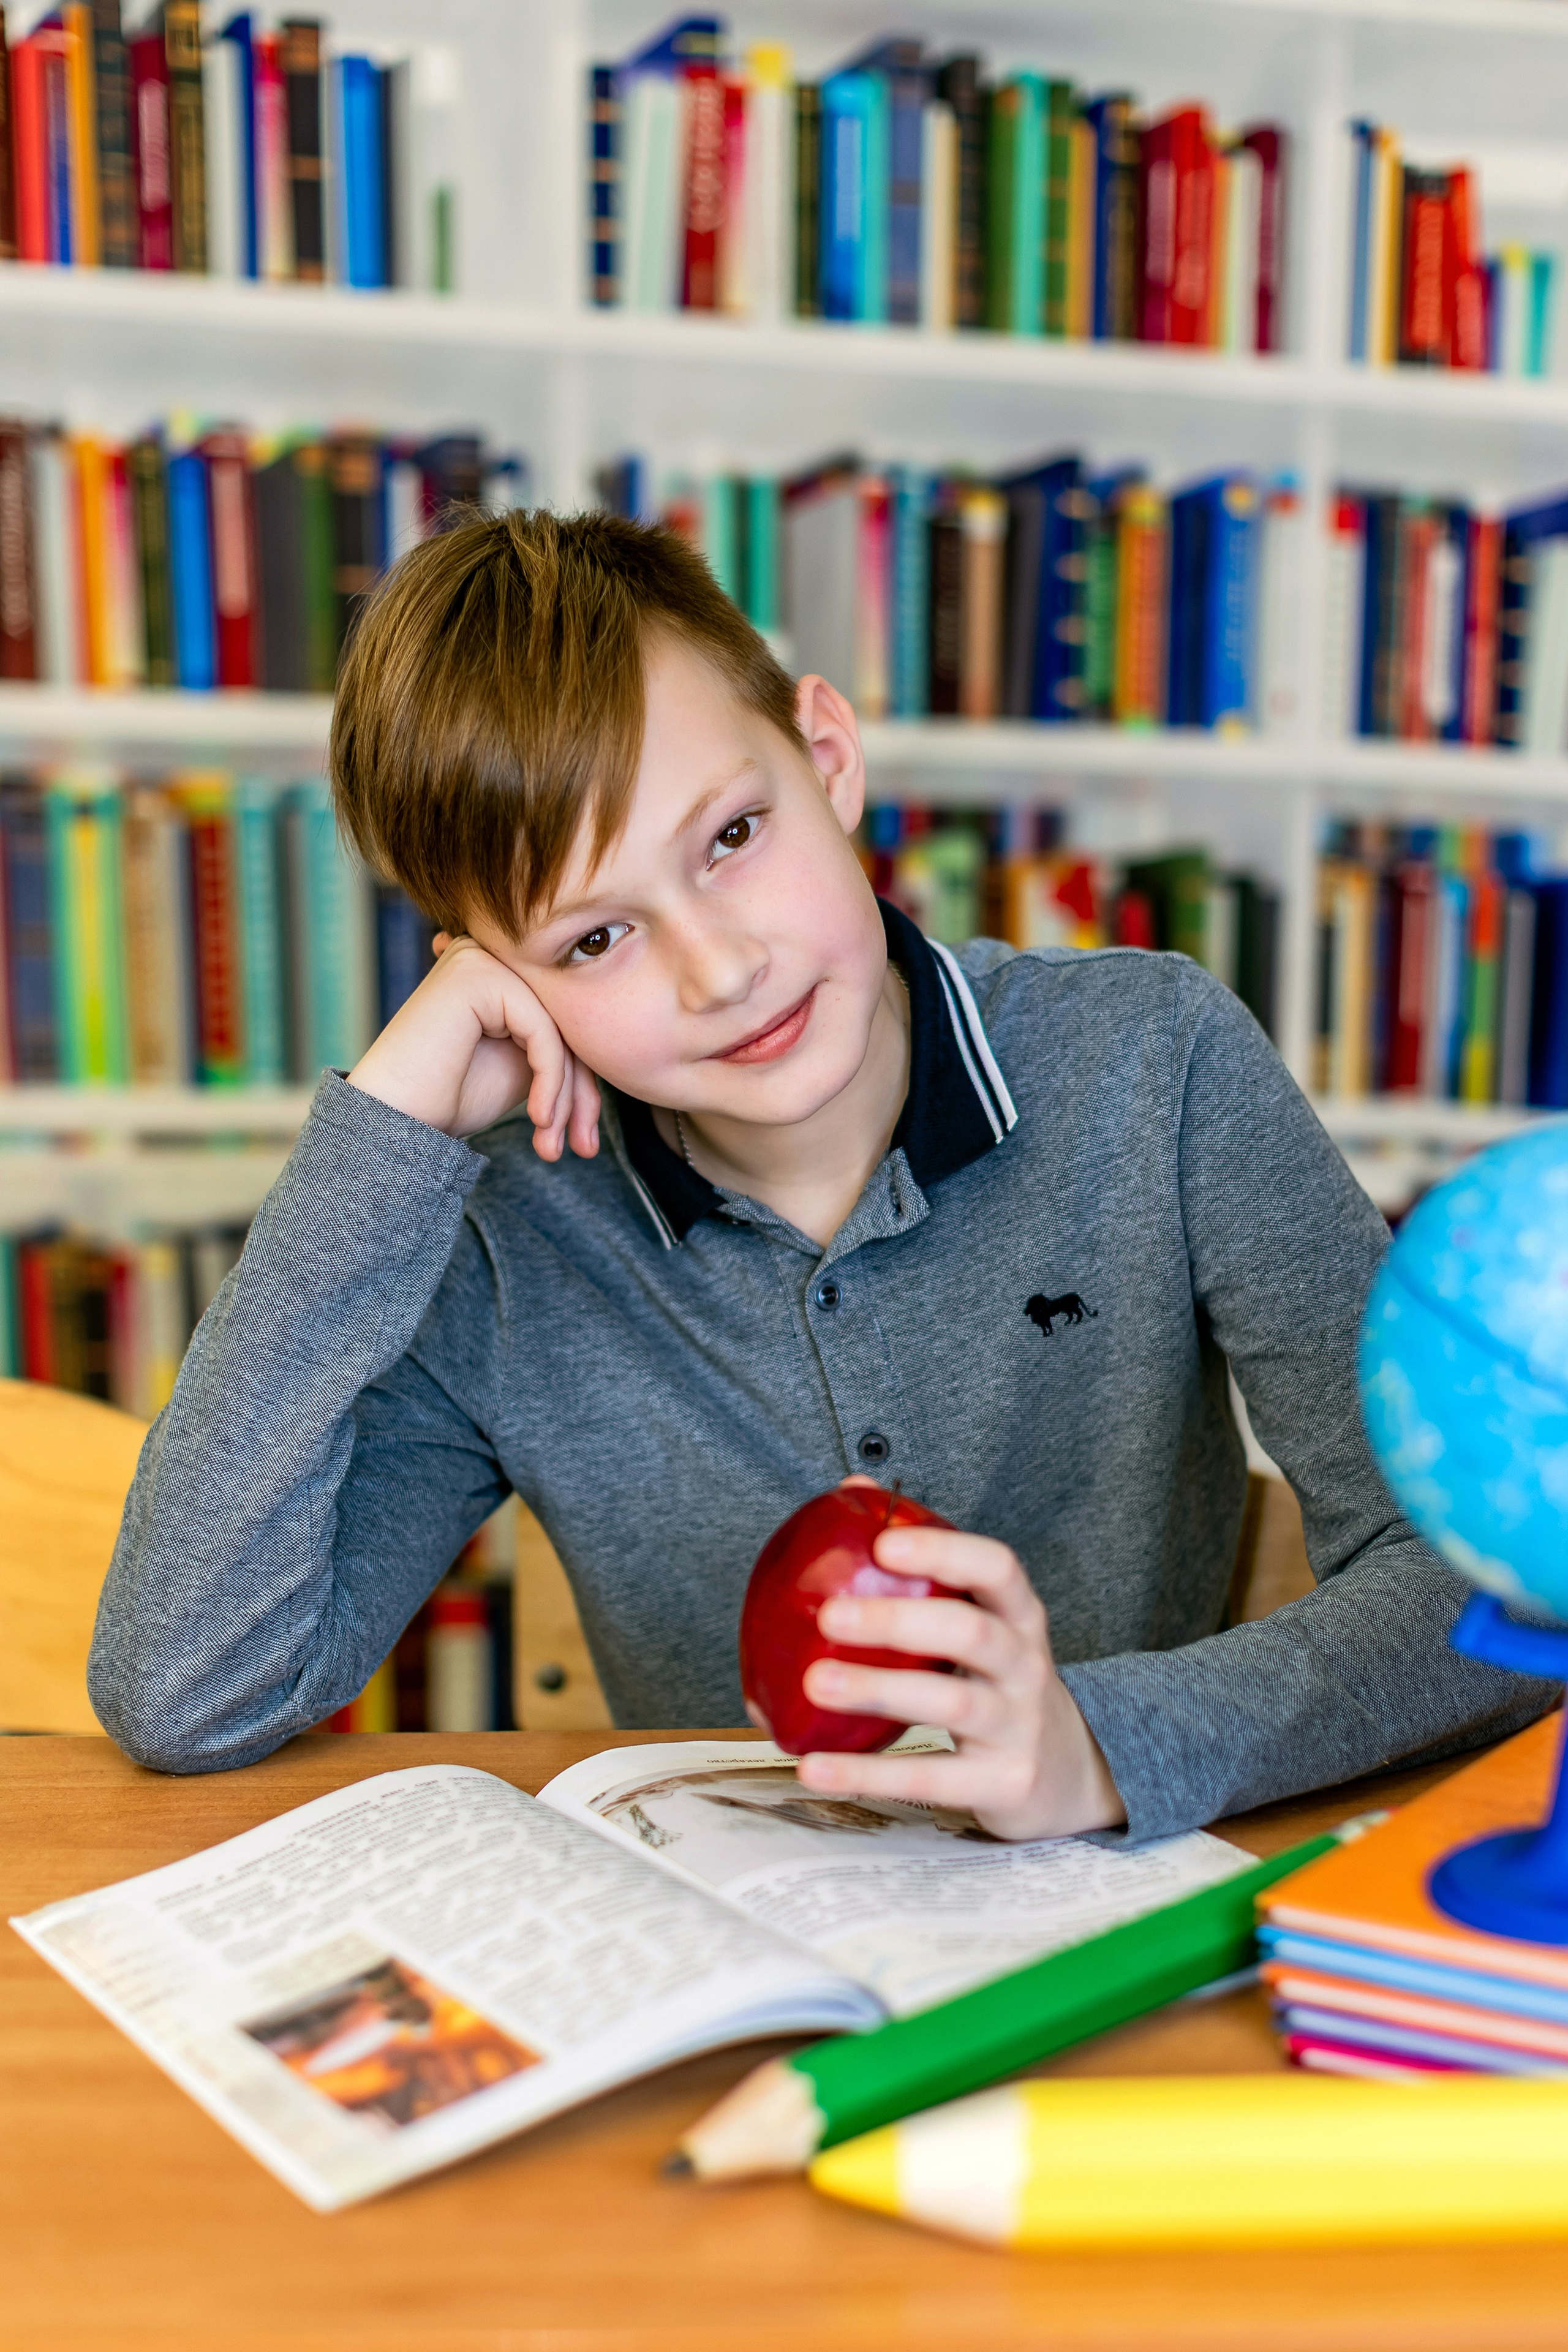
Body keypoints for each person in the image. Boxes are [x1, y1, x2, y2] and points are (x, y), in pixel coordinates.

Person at [88, 511, 1554, 1840]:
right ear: (492, 982)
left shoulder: (1150, 1061)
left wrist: (1102, 1749)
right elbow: (192, 1691)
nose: (720, 970)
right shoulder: (494, 1226)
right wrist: (382, 1136)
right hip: (720, 1961)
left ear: (827, 758)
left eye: (731, 838)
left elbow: (1483, 1590)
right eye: (593, 939)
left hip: (1108, 1933)